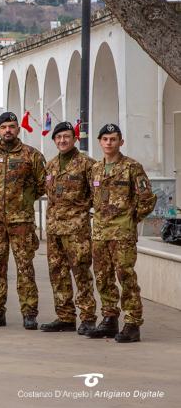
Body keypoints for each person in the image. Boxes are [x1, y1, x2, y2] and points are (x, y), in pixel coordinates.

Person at [0, 112, 47, 329]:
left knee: (25, 267)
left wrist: (23, 200)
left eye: (12, 126)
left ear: (18, 129)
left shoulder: (31, 155)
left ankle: (29, 313)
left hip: (21, 222)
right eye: (4, 126)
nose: (8, 130)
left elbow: (42, 184)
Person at [86, 124, 156, 343]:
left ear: (121, 142)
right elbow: (93, 198)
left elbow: (146, 199)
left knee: (125, 276)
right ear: (100, 142)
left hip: (122, 234)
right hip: (100, 233)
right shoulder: (96, 169)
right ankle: (109, 319)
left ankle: (133, 323)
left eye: (113, 139)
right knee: (103, 277)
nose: (109, 143)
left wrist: (130, 219)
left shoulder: (132, 167)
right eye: (105, 139)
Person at [40, 121, 98, 335]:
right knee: (58, 273)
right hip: (54, 230)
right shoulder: (52, 165)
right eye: (58, 137)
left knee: (81, 273)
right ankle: (65, 317)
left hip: (76, 231)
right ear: (54, 140)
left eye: (66, 136)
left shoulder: (87, 164)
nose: (62, 140)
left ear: (75, 139)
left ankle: (88, 317)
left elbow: (96, 197)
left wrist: (83, 214)